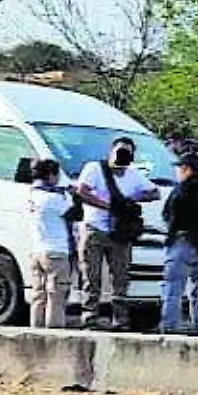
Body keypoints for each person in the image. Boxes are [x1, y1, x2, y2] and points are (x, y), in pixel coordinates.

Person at [73, 135, 160, 330]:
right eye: (119, 151)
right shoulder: (95, 169)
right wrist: (109, 206)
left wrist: (130, 200)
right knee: (91, 276)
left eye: (126, 152)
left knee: (120, 277)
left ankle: (120, 319)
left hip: (119, 232)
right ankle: (90, 317)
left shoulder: (133, 174)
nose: (122, 155)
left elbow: (155, 192)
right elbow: (82, 191)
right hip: (94, 228)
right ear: (111, 152)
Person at [160, 152, 198, 334]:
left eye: (180, 168)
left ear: (186, 169)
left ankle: (170, 328)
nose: (178, 172)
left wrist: (170, 233)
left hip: (183, 241)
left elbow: (170, 214)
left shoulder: (183, 189)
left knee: (173, 289)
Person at [24, 159, 74, 330]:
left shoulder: (31, 195)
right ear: (51, 175)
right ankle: (54, 331)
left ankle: (35, 329)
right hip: (56, 251)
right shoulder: (54, 198)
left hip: (36, 249)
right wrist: (73, 195)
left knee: (38, 294)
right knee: (56, 295)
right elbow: (76, 214)